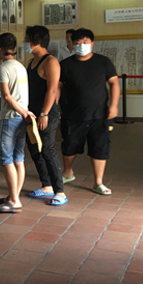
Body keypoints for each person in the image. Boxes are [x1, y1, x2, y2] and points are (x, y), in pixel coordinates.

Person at [59, 28, 119, 195]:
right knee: (69, 145)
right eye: (77, 43)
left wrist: (114, 105)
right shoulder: (66, 64)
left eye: (85, 42)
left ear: (92, 43)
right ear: (72, 44)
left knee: (99, 147)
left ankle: (98, 182)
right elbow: (57, 87)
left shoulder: (103, 62)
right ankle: (68, 172)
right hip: (72, 114)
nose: (81, 46)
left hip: (100, 115)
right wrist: (54, 108)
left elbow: (114, 83)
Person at [24, 26, 67, 206]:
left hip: (46, 114)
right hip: (32, 114)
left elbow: (52, 90)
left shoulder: (51, 62)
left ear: (37, 41)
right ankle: (47, 185)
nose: (25, 43)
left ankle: (60, 191)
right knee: (34, 149)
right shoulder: (32, 61)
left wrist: (44, 113)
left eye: (27, 40)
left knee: (47, 150)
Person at [0, 32, 31, 213]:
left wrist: (21, 111)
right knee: (18, 158)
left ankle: (14, 200)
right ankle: (14, 196)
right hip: (22, 117)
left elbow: (7, 96)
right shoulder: (20, 66)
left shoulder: (4, 67)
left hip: (10, 116)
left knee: (6, 158)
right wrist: (24, 112)